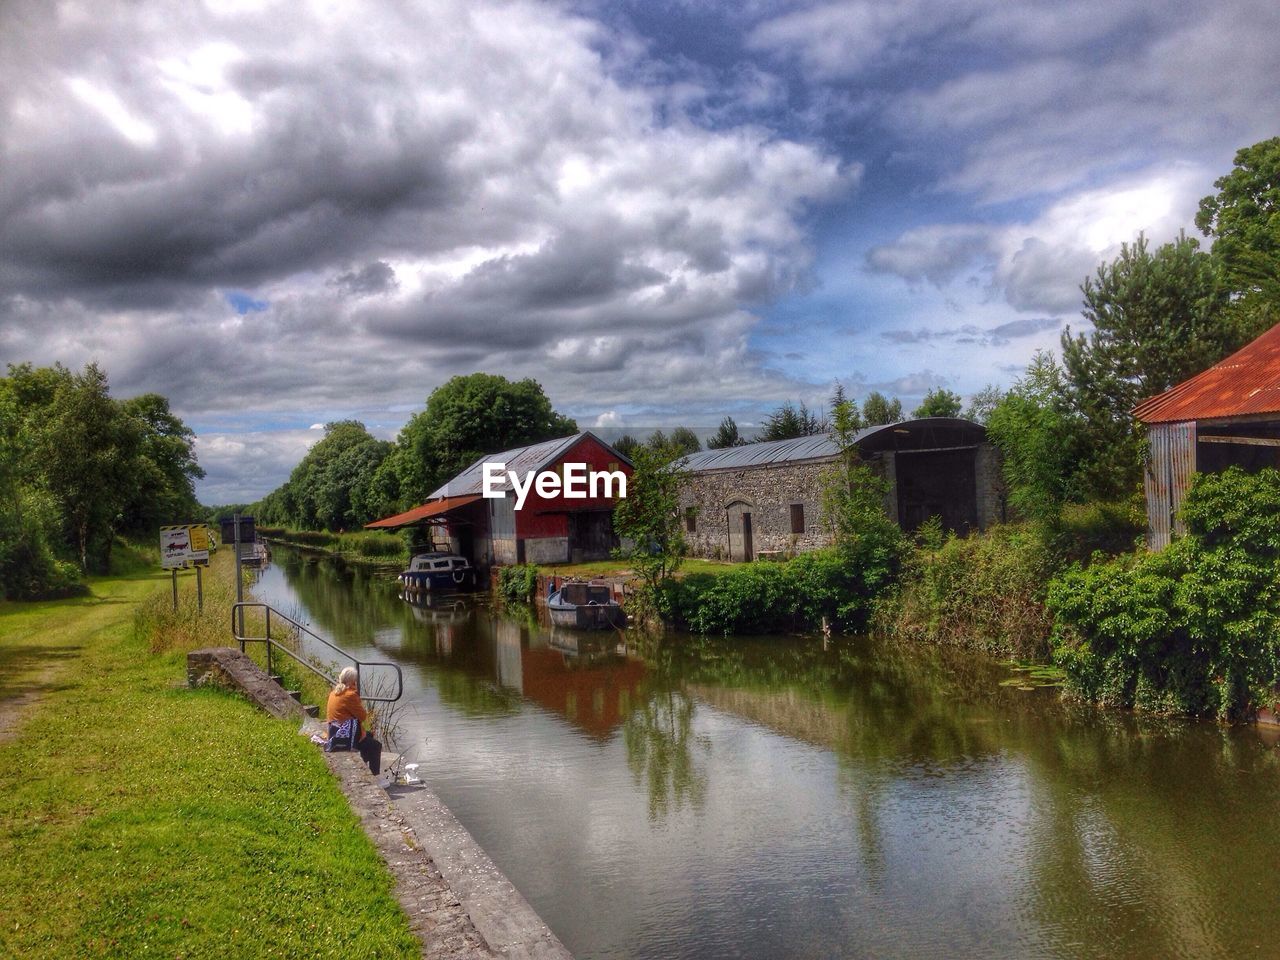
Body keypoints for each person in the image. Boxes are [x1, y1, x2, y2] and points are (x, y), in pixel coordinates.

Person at [325, 666, 382, 776]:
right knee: (376, 746)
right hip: (346, 736)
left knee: (369, 735)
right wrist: (357, 697)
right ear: (353, 681)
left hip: (334, 731)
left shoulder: (334, 692)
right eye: (355, 681)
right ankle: (376, 776)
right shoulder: (350, 695)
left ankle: (365, 767)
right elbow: (363, 716)